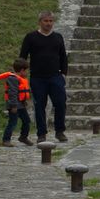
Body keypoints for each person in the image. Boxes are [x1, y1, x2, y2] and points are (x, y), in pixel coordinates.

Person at [19, 11, 69, 143]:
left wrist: (64, 73)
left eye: (51, 21)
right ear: (40, 22)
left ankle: (60, 131)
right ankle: (41, 134)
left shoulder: (58, 37)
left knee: (60, 103)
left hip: (55, 76)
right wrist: (21, 72)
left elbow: (63, 56)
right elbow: (22, 56)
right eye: (46, 21)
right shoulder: (31, 37)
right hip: (37, 78)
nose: (48, 24)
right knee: (39, 106)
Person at [0, 58, 32, 147]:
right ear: (22, 70)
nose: (27, 73)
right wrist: (13, 106)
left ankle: (23, 137)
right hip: (14, 105)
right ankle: (6, 139)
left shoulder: (20, 78)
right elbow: (12, 93)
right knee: (13, 122)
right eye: (26, 71)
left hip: (21, 105)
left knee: (26, 121)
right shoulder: (13, 79)